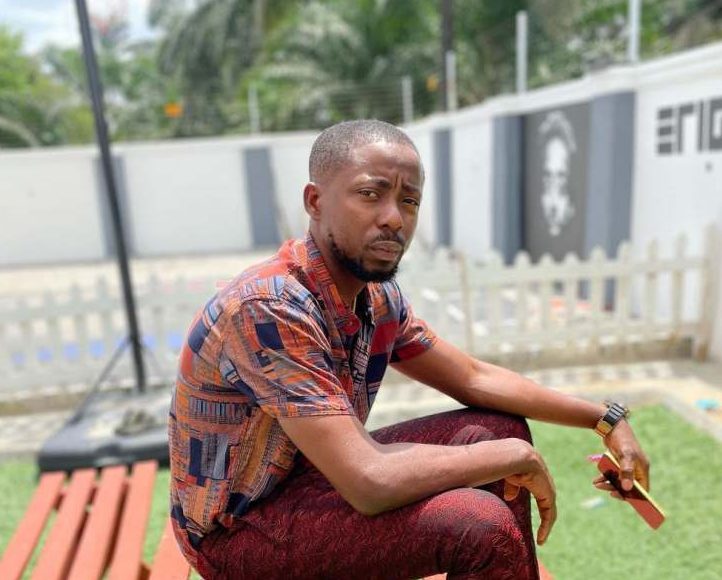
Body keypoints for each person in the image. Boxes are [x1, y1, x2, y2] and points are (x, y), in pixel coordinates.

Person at [169, 119, 650, 579]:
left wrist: (604, 419)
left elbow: (472, 378)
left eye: (410, 200)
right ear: (315, 201)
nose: (394, 218)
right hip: (237, 532)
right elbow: (369, 481)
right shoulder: (269, 308)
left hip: (310, 481)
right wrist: (515, 455)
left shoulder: (375, 297)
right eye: (370, 194)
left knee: (495, 429)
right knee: (478, 524)